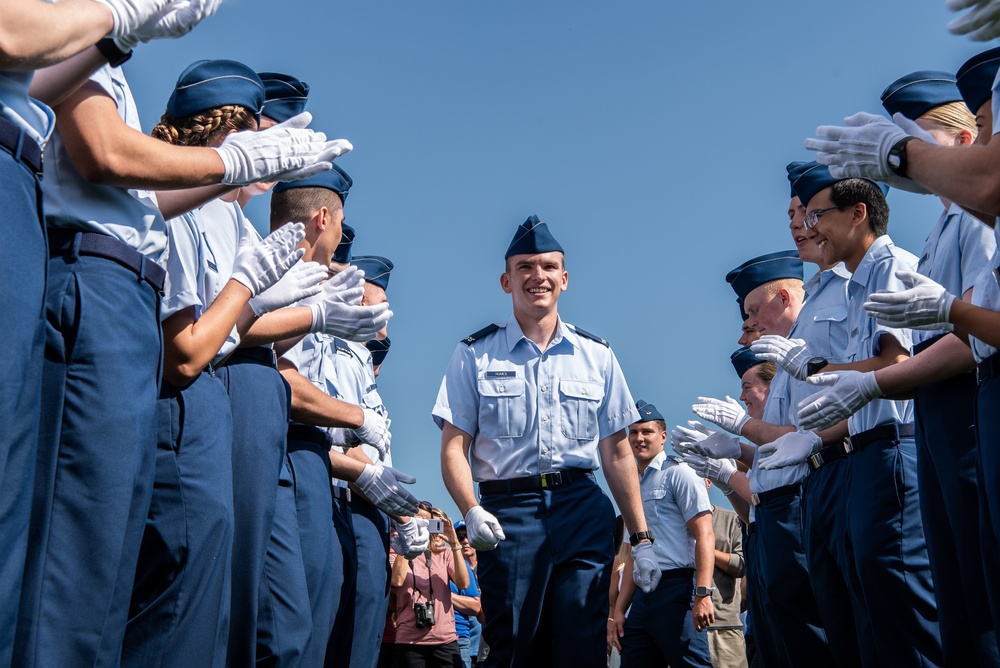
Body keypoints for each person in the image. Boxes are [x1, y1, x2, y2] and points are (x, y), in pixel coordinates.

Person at [0, 1, 218, 663]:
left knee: (95, 562)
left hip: (54, 224)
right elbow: (101, 153)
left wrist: (114, 34)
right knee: (73, 552)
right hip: (91, 277)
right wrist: (118, 17)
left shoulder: (88, 43)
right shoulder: (71, 23)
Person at [433, 215, 656, 667]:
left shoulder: (597, 355)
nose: (539, 277)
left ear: (565, 278)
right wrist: (470, 510)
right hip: (509, 516)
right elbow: (454, 446)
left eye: (550, 267)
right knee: (515, 645)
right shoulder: (475, 353)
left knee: (582, 644)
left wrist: (642, 537)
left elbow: (615, 452)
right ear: (506, 280)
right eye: (526, 267)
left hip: (581, 507)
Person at [757, 175, 943, 666]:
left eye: (818, 215)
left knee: (900, 612)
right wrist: (813, 436)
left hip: (888, 453)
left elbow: (894, 370)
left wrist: (820, 372)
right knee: (860, 627)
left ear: (857, 213)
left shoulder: (891, 268)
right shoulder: (860, 278)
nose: (810, 228)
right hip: (853, 458)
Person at [273, 173, 419, 665]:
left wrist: (401, 509)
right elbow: (294, 406)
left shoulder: (356, 354)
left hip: (355, 501)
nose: (379, 317)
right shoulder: (299, 317)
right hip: (310, 480)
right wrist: (360, 465)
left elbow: (376, 436)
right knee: (304, 636)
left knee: (356, 634)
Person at [682, 251, 836, 668]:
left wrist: (735, 456)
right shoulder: (789, 368)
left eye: (752, 314)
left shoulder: (802, 360)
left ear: (784, 299)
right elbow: (768, 478)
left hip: (798, 513)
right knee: (777, 644)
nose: (744, 396)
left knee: (807, 639)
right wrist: (730, 460)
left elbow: (807, 442)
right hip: (769, 523)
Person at [611, 400, 714, 668]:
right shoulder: (630, 484)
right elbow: (635, 551)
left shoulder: (680, 473)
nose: (639, 438)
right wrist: (620, 609)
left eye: (647, 431)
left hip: (678, 590)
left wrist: (703, 593)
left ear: (663, 437)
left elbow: (704, 534)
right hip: (643, 597)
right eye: (633, 432)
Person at [391, 509, 470, 668]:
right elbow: (397, 581)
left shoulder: (444, 554)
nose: (422, 527)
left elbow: (463, 583)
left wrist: (454, 543)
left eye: (427, 523)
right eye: (417, 522)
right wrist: (407, 542)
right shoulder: (398, 553)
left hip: (445, 639)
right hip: (409, 640)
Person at [704, 479, 747, 668]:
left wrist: (705, 551)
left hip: (724, 626)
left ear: (708, 481)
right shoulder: (673, 522)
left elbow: (742, 565)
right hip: (682, 627)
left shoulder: (732, 519)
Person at [449, 523, 482, 668]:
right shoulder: (449, 570)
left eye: (468, 536)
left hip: (488, 642)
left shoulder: (490, 568)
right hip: (464, 641)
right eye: (460, 537)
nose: (465, 541)